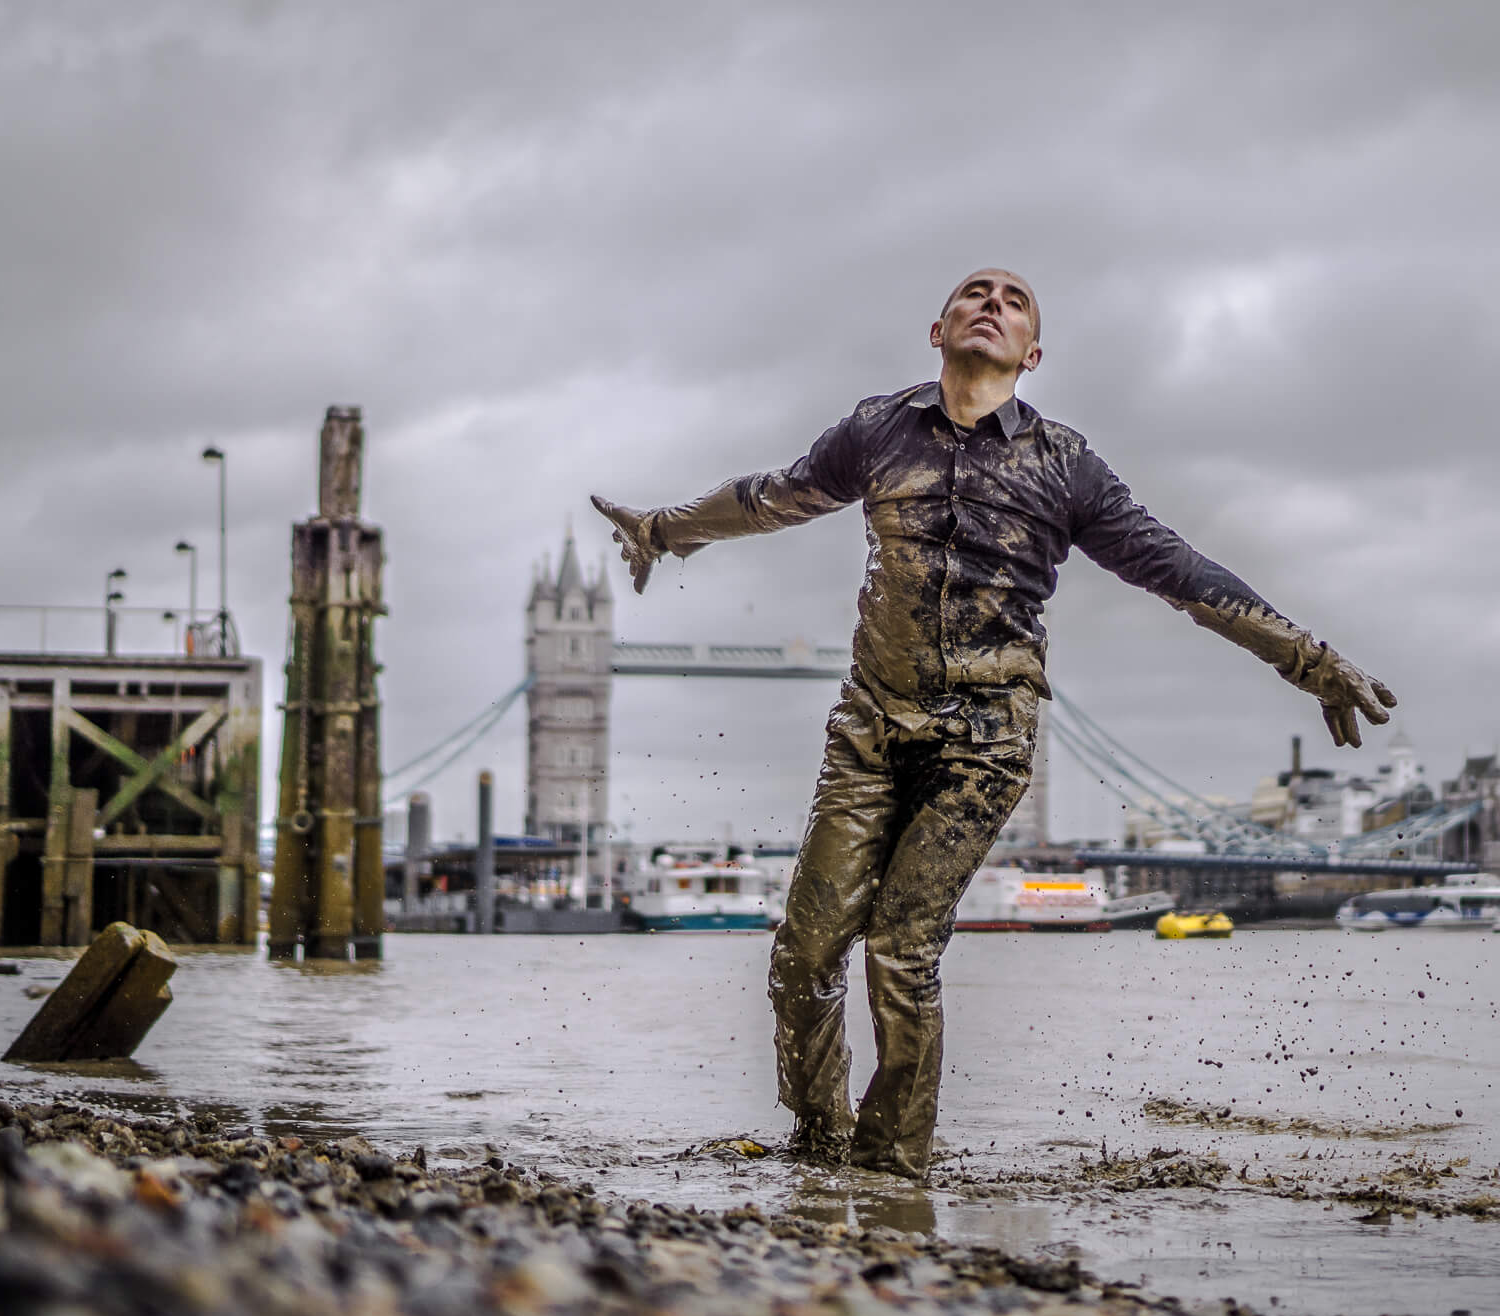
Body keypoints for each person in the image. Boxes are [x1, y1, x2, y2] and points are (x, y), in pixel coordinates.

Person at [591, 268, 1396, 1178]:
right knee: (805, 951)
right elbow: (772, 496)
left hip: (984, 741)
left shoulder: (1064, 463)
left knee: (900, 948)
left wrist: (1312, 661)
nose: (993, 304)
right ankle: (816, 1146)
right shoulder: (878, 430)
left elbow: (1181, 570)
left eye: (1015, 302)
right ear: (937, 330)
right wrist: (662, 528)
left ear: (1032, 354)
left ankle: (894, 1169)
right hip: (869, 728)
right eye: (976, 293)